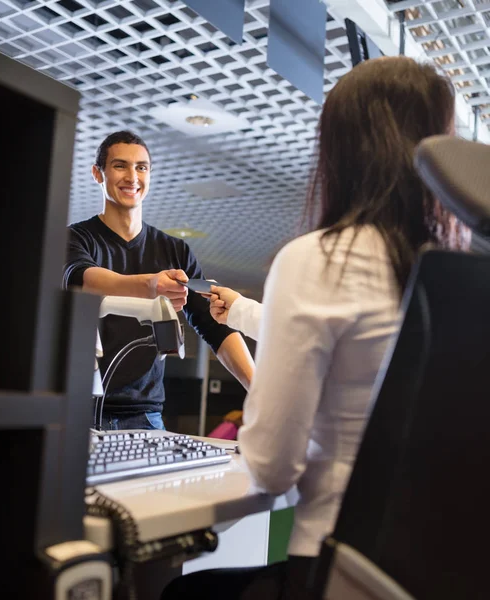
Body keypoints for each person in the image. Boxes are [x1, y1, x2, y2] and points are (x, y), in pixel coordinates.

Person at [161, 56, 467, 600]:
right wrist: (254, 313)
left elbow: (272, 467)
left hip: (340, 571)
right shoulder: (458, 274)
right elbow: (374, 343)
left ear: (342, 151)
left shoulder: (318, 260)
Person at [63, 130, 254, 431]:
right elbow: (84, 279)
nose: (132, 176)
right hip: (80, 410)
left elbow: (215, 327)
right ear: (97, 174)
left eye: (141, 167)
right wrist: (150, 286)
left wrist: (260, 392)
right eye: (120, 165)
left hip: (145, 414)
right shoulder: (76, 238)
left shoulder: (175, 251)